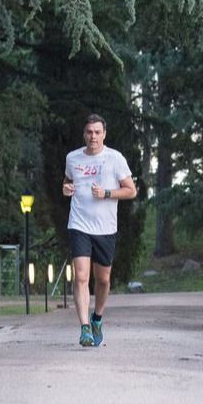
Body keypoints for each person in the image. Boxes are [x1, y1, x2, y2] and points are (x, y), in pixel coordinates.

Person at [62, 113, 137, 347]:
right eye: (89, 132)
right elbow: (67, 181)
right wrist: (66, 188)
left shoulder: (115, 159)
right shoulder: (72, 158)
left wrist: (106, 193)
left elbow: (131, 190)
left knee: (103, 280)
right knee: (81, 277)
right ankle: (84, 328)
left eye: (97, 132)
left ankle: (97, 318)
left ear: (104, 134)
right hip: (79, 224)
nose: (93, 136)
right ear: (84, 134)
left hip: (105, 227)